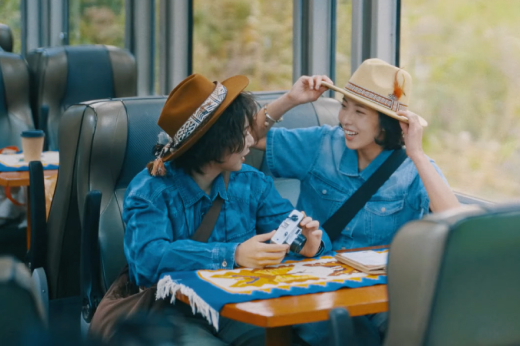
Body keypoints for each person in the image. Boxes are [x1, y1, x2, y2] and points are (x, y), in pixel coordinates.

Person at [252, 58, 460, 345]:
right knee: (337, 332)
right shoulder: (321, 143)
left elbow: (456, 221)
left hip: (379, 294)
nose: (345, 119)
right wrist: (290, 100)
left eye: (359, 111)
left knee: (416, 329)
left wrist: (419, 155)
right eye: (344, 106)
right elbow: (246, 138)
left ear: (387, 124)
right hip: (315, 287)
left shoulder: (412, 168)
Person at [120, 74, 330, 345]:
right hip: (171, 314)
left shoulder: (252, 182)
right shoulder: (150, 190)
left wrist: (309, 244)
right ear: (214, 141)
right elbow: (147, 262)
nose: (250, 142)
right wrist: (235, 254)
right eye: (242, 133)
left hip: (239, 308)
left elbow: (287, 228)